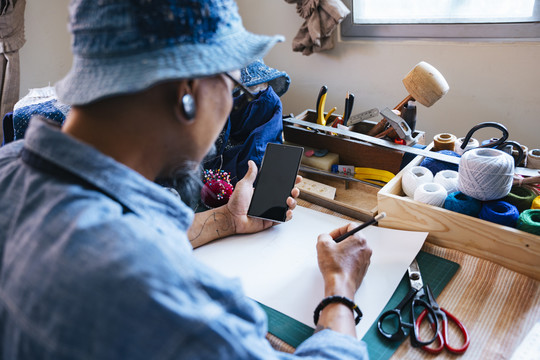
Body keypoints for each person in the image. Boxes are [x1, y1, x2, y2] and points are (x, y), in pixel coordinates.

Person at [0, 0, 372, 359]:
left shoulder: (9, 169)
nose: (232, 105)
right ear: (188, 95)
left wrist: (224, 219)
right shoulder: (149, 282)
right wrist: (340, 287)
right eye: (234, 89)